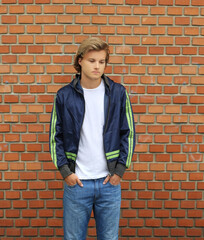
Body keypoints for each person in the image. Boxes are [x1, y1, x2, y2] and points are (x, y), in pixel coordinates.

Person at [49, 37, 135, 240]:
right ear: (79, 61)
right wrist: (65, 172)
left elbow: (128, 133)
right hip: (77, 183)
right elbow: (55, 136)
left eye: (102, 61)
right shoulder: (64, 95)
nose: (97, 66)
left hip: (109, 183)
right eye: (91, 61)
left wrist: (119, 171)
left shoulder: (118, 93)